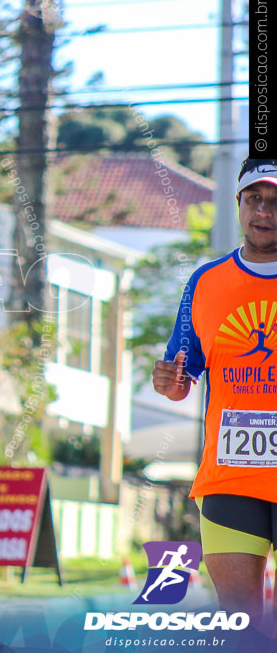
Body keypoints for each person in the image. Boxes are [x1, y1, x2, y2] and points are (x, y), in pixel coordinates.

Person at [153, 157, 277, 622]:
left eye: (276, 201)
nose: (264, 211)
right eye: (255, 199)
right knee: (239, 621)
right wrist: (167, 382)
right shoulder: (205, 282)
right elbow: (182, 375)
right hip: (230, 477)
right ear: (239, 203)